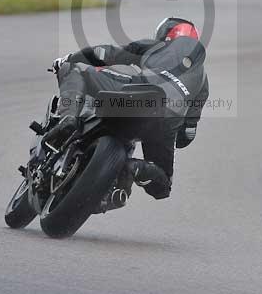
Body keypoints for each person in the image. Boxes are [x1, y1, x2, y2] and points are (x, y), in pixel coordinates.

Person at [45, 17, 209, 204]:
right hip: (167, 121)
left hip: (139, 95)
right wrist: (170, 135)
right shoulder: (203, 82)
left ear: (166, 34)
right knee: (162, 187)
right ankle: (134, 168)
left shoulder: (156, 46)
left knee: (73, 70)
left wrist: (69, 58)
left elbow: (105, 53)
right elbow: (187, 134)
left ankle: (68, 120)